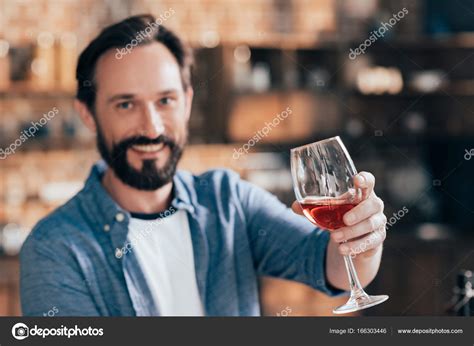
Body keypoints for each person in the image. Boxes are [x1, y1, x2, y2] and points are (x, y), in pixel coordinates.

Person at [20, 14, 387, 316]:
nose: (151, 127)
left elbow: (332, 268)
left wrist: (363, 243)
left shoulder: (228, 202)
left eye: (165, 100)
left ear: (187, 102)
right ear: (87, 114)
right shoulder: (56, 246)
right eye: (125, 105)